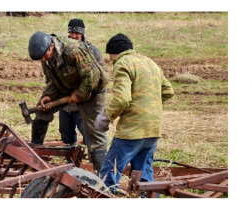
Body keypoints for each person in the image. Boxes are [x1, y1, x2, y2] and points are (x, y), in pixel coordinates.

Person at [95, 34, 174, 193]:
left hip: (132, 129)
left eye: (110, 54)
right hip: (152, 128)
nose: (110, 59)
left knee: (109, 174)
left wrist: (106, 117)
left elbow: (122, 99)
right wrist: (149, 106)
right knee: (144, 176)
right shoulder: (149, 62)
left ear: (114, 52)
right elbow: (168, 91)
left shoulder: (123, 63)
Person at [28, 30, 110, 173]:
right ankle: (34, 156)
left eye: (43, 56)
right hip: (68, 84)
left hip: (93, 87)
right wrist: (49, 95)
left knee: (94, 129)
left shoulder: (73, 50)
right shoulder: (45, 58)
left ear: (51, 47)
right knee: (41, 111)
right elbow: (52, 80)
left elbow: (92, 76)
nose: (42, 60)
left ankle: (103, 174)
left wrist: (79, 94)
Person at [59, 19, 106, 149]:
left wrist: (83, 92)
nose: (74, 36)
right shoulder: (63, 50)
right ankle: (71, 156)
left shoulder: (92, 51)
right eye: (71, 32)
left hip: (85, 101)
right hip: (66, 102)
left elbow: (101, 75)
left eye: (77, 33)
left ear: (82, 34)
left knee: (88, 132)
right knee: (65, 131)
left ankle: (93, 158)